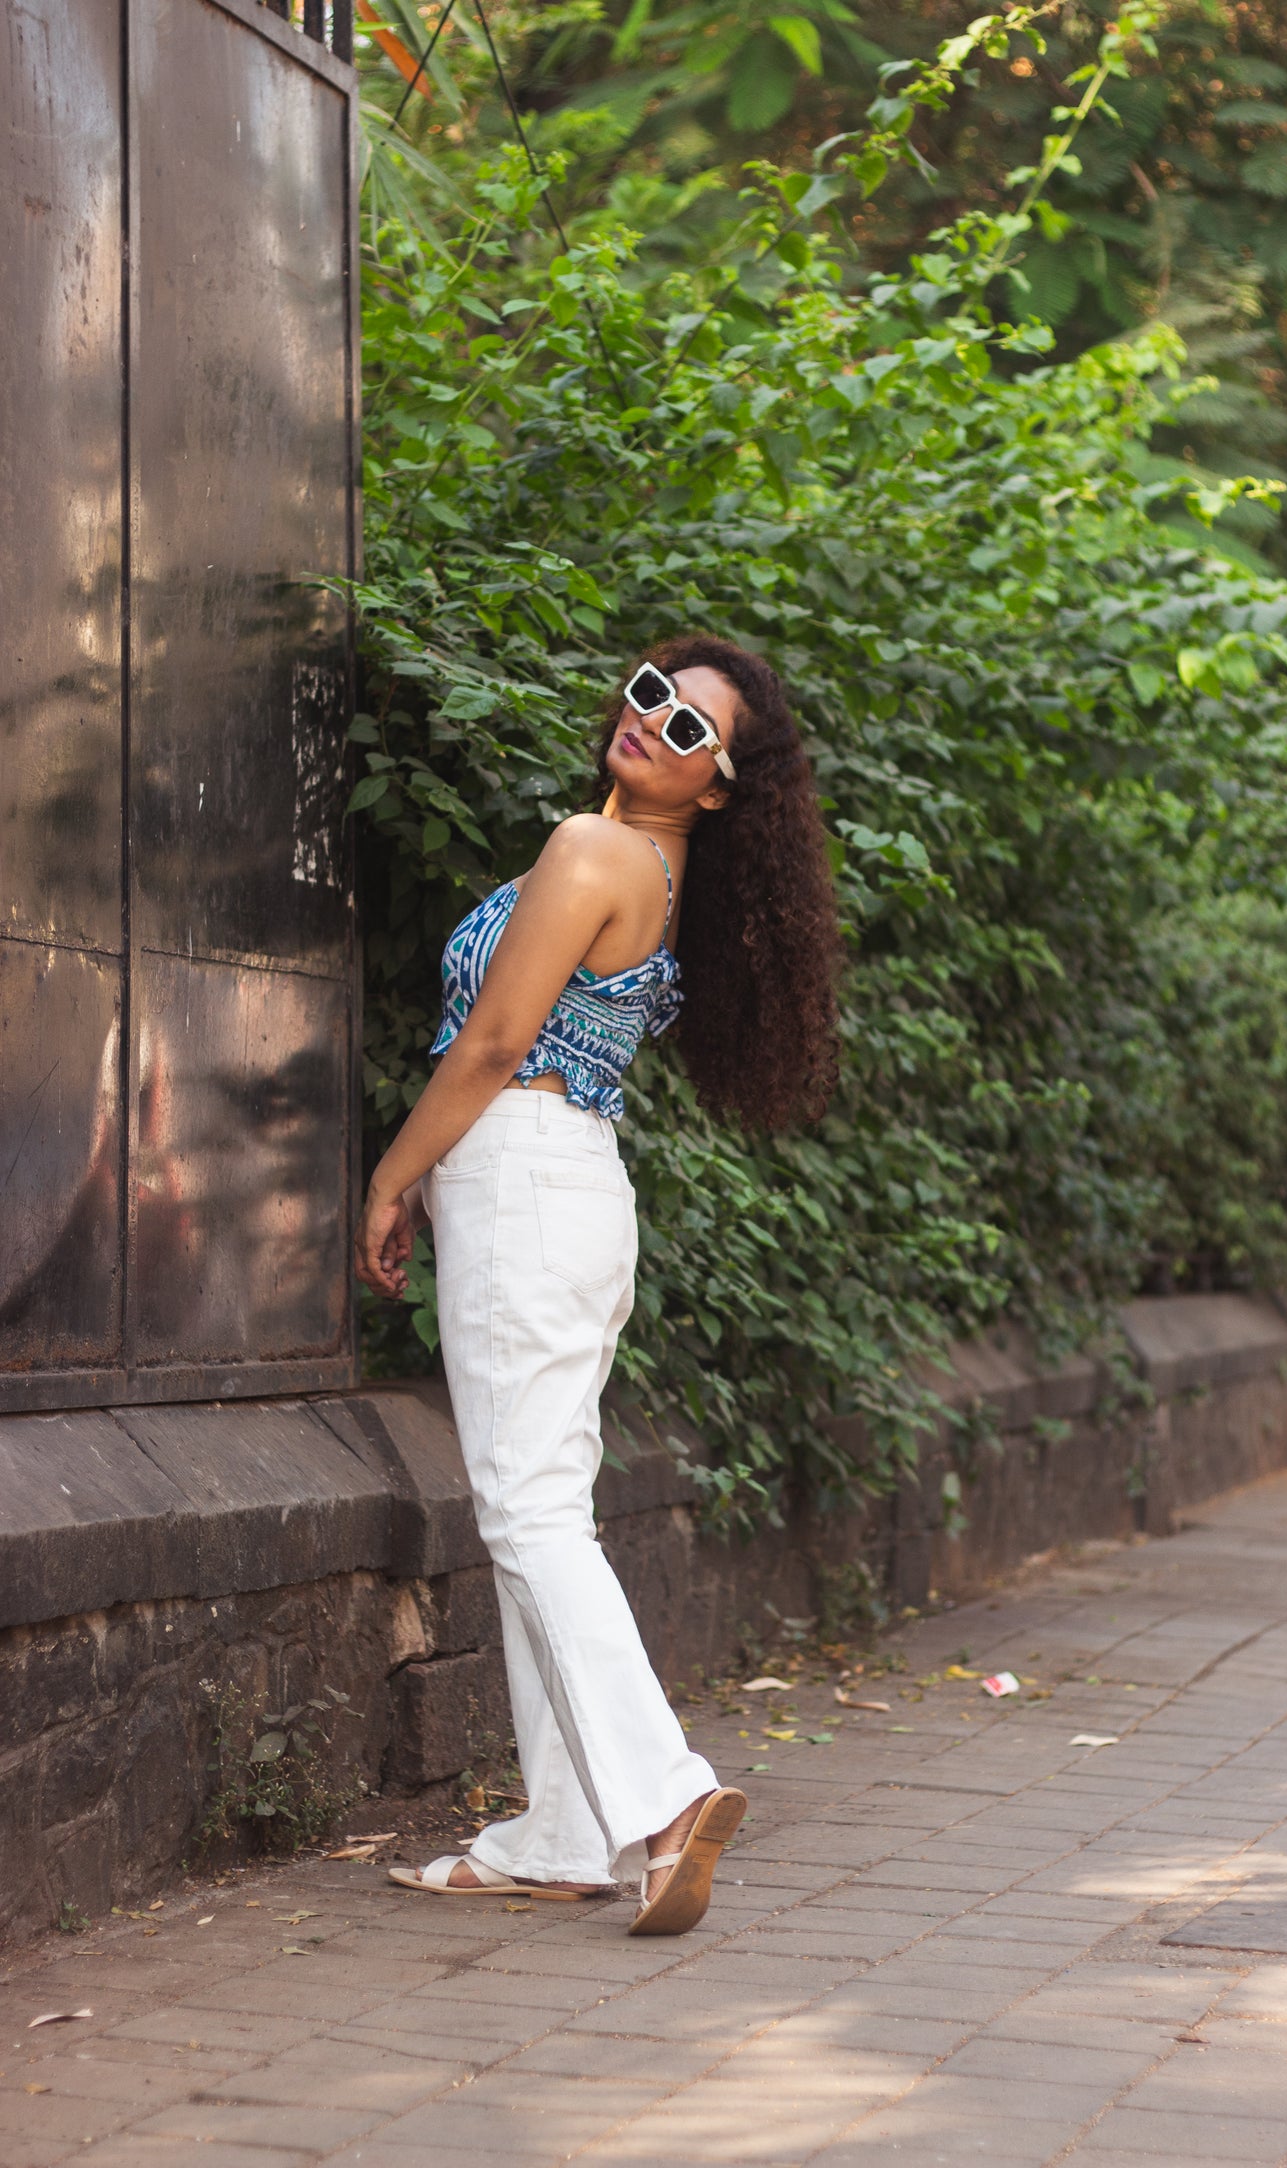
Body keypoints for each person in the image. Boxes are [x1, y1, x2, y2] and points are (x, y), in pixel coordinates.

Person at [354, 633, 840, 1933]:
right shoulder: (661, 871)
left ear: (721, 783)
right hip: (570, 1186)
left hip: (518, 1172)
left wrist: (391, 1175)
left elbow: (497, 1040)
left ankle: (664, 1797)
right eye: (648, 696)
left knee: (522, 1513)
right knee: (541, 1502)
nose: (652, 725)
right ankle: (562, 1830)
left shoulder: (593, 850)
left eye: (691, 730)